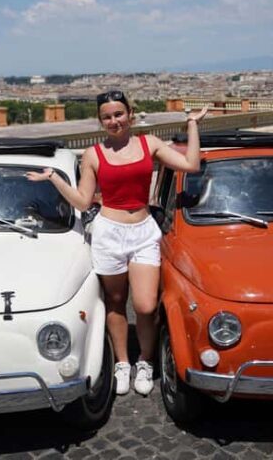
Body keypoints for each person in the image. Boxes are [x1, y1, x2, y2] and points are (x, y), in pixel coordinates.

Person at [27, 91, 207, 395]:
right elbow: (84, 202)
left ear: (130, 114)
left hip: (143, 231)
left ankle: (145, 361)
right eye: (107, 117)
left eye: (118, 114)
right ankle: (123, 362)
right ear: (101, 122)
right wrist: (54, 180)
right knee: (114, 301)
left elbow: (190, 165)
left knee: (146, 305)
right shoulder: (93, 155)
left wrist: (191, 124)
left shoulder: (150, 144)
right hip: (109, 233)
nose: (114, 121)